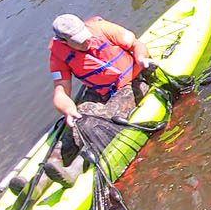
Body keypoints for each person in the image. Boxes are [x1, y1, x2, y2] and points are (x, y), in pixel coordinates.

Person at [39, 13, 160, 186]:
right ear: (64, 42)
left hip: (131, 82)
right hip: (100, 90)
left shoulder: (102, 29)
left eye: (85, 37)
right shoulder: (59, 55)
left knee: (107, 118)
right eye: (78, 41)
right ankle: (45, 176)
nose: (86, 42)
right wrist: (68, 109)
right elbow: (60, 92)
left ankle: (77, 168)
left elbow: (137, 44)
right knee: (80, 117)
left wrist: (141, 60)